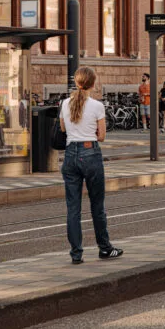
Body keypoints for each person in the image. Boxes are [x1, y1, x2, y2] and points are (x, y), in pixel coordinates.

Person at [60, 66, 123, 264]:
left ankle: (76, 254)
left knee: (73, 208)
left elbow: (63, 128)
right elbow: (102, 136)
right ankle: (104, 248)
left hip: (70, 155)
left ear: (76, 82)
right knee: (97, 205)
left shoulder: (64, 103)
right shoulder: (97, 106)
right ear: (93, 84)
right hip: (90, 153)